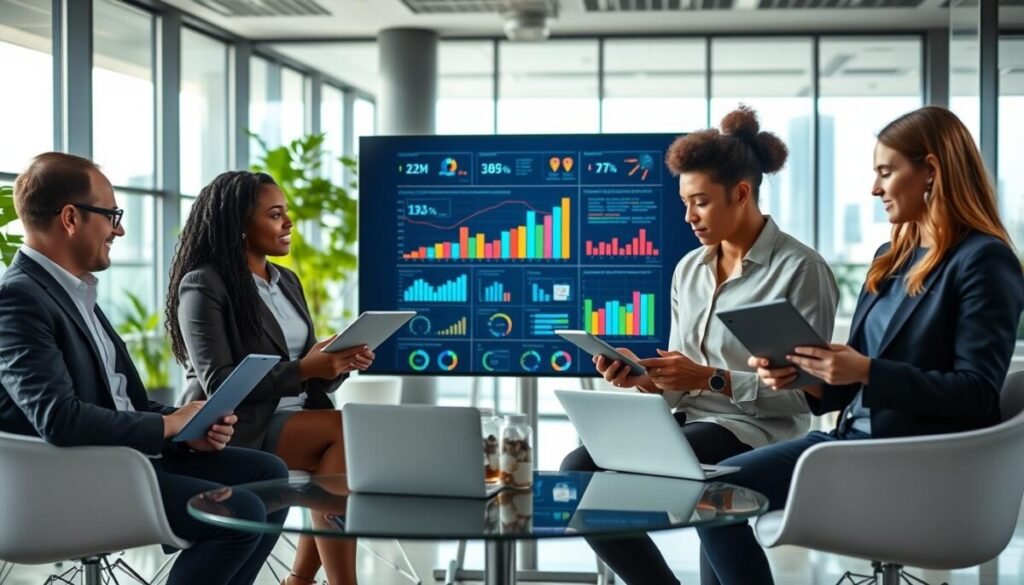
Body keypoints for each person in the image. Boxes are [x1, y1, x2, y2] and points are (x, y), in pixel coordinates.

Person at [696, 105, 1024, 585]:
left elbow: (975, 394)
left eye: (886, 172)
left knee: (713, 493)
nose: (875, 189)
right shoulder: (889, 259)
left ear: (931, 170)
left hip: (913, 462)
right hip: (849, 446)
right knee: (710, 490)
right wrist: (805, 374)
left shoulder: (984, 261)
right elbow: (844, 389)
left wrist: (866, 371)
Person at [560, 106, 840, 584]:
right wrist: (647, 379)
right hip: (691, 421)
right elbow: (678, 377)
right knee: (577, 469)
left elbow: (807, 395)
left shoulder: (799, 269)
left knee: (693, 468)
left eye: (701, 202)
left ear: (741, 193)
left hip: (758, 430)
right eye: (685, 202)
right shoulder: (688, 268)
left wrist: (711, 378)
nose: (689, 216)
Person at [0, 152, 289, 585]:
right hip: (73, 481)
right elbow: (59, 419)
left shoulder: (74, 295)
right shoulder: (20, 299)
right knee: (240, 510)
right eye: (112, 215)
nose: (120, 229)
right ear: (71, 218)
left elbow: (121, 402)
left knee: (269, 476)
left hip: (121, 462)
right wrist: (169, 427)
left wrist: (189, 427)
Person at [166, 170, 375, 585]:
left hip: (299, 419)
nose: (288, 223)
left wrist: (335, 365)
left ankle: (303, 580)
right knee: (345, 432)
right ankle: (329, 582)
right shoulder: (204, 284)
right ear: (240, 225)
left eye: (286, 213)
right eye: (275, 214)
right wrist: (306, 368)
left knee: (342, 439)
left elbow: (306, 372)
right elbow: (220, 383)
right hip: (238, 426)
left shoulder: (288, 281)